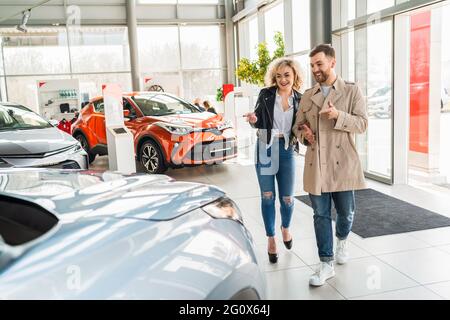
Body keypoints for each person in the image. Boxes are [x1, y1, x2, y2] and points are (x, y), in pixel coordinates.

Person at [292, 44, 368, 286]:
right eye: (312, 65)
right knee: (320, 214)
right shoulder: (307, 95)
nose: (315, 69)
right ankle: (326, 263)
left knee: (346, 212)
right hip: (317, 164)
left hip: (343, 163)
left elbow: (363, 124)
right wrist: (305, 134)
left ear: (332, 63)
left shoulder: (351, 91)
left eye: (319, 64)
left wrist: (338, 116)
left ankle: (342, 239)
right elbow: (297, 126)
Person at [244, 57, 303, 264]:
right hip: (266, 148)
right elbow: (258, 118)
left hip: (287, 149)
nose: (283, 79)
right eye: (278, 76)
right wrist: (253, 120)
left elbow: (302, 125)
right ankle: (271, 239)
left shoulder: (300, 99)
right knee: (268, 196)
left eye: (287, 75)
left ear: (294, 75)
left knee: (287, 198)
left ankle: (285, 228)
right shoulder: (266, 94)